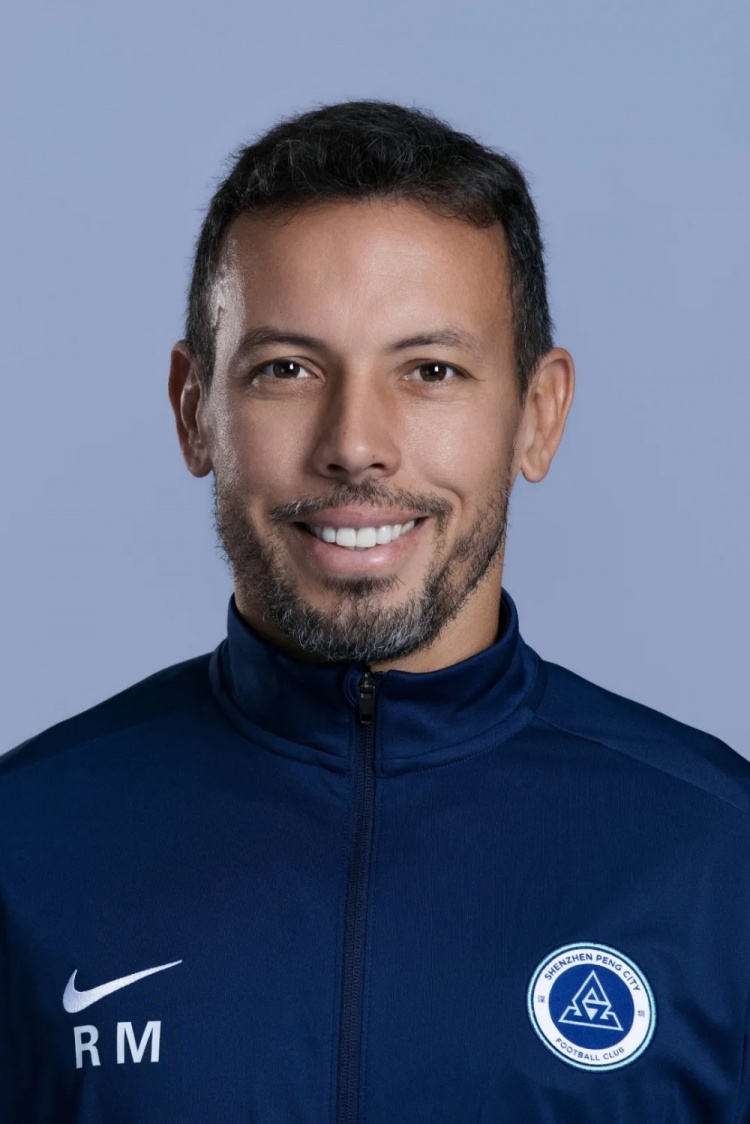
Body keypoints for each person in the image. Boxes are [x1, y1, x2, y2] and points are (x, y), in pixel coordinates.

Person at [1, 98, 748, 1124]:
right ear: (194, 409)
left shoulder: (718, 854)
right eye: (287, 370)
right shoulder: (25, 843)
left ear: (537, 416)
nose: (355, 443)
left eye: (431, 371)